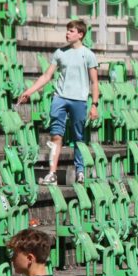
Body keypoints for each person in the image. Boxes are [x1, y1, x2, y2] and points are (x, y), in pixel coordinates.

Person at [16, 19, 99, 185]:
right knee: (56, 135)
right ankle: (52, 173)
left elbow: (95, 82)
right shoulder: (60, 52)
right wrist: (29, 91)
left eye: (71, 31)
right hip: (60, 98)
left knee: (78, 137)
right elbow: (47, 76)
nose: (67, 33)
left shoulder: (89, 55)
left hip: (79, 100)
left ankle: (80, 171)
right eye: (67, 30)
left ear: (80, 34)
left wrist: (94, 105)